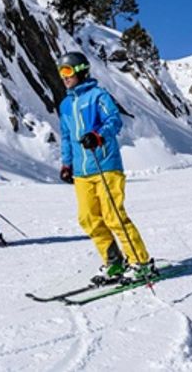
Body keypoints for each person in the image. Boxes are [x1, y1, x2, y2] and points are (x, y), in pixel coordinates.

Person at [57, 50, 157, 283]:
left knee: (113, 216)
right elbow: (65, 136)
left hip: (105, 165)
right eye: (61, 72)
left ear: (80, 71)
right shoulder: (65, 105)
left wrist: (98, 136)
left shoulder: (98, 96)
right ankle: (114, 261)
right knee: (88, 218)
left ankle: (141, 262)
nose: (64, 77)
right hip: (82, 172)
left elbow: (114, 120)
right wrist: (66, 163)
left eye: (68, 71)